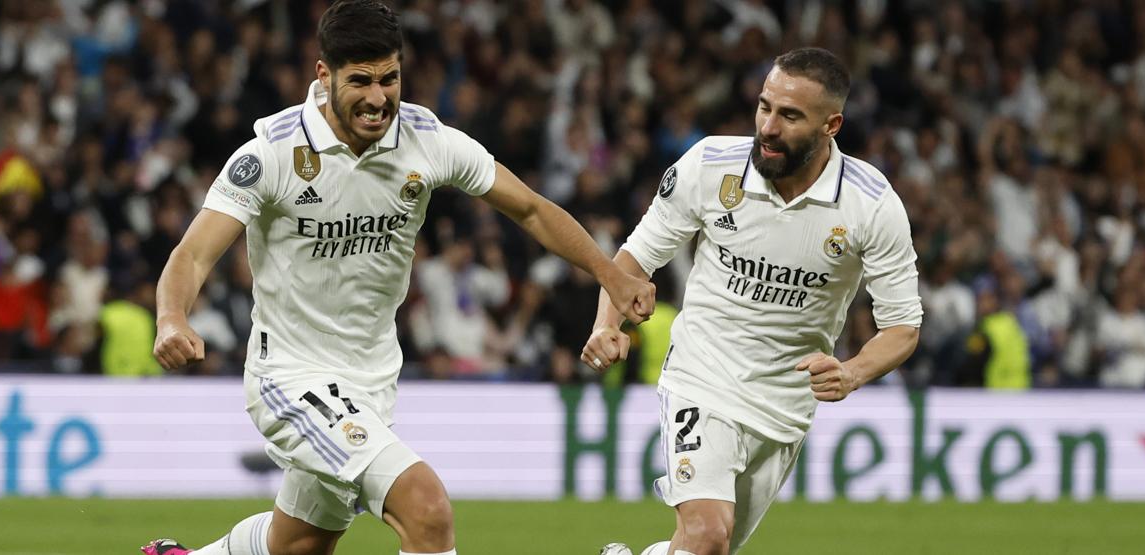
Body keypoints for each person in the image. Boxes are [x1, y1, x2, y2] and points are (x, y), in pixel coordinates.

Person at [141, 2, 655, 555]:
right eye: (360, 81)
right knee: (425, 506)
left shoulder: (425, 140)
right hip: (290, 378)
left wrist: (609, 274)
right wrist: (172, 317)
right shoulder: (272, 152)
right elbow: (191, 255)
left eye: (390, 78)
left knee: (298, 545)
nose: (378, 97)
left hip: (372, 381)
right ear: (324, 76)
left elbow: (529, 209)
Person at [587, 48, 922, 555]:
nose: (767, 126)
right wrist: (605, 324)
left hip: (785, 406)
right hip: (703, 375)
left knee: (704, 548)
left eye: (790, 116)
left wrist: (853, 372)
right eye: (765, 107)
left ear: (832, 124)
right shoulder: (709, 166)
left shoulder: (871, 205)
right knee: (706, 533)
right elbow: (632, 260)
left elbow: (903, 326)